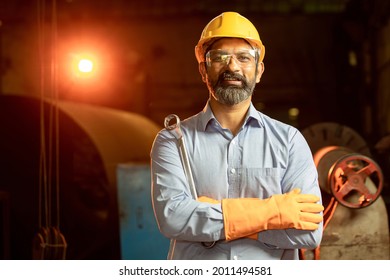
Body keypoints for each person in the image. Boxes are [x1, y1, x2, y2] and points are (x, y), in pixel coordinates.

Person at [150, 11, 324, 260]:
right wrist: (272, 213)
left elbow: (310, 233)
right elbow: (172, 219)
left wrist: (210, 218)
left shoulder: (289, 141)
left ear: (259, 70)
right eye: (220, 58)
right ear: (203, 70)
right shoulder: (173, 141)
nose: (232, 67)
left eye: (244, 58)